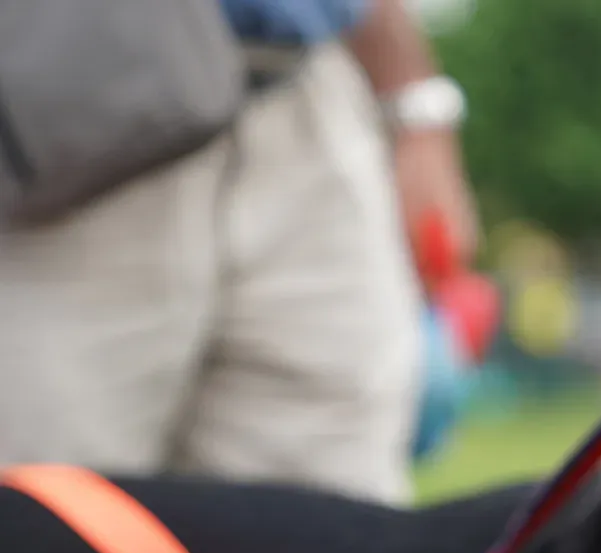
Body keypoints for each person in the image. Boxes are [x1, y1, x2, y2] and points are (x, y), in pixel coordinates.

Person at [0, 0, 481, 506]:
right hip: (60, 123)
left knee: (331, 536)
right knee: (46, 535)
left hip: (306, 90)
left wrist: (412, 99)